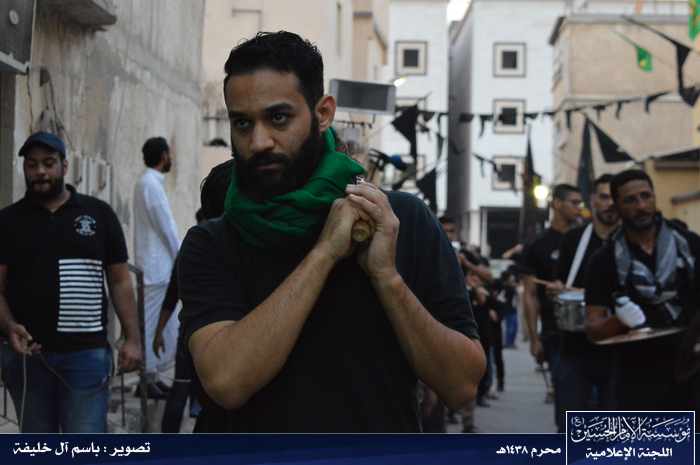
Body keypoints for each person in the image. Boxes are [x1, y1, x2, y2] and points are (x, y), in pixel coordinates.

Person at [177, 31, 485, 433]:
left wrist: (387, 279)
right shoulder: (211, 243)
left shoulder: (400, 220)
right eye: (242, 122)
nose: (259, 141)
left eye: (278, 118)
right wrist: (323, 255)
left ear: (323, 113)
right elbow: (227, 382)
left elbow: (462, 386)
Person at [0, 132, 142, 433]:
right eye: (31, 164)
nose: (40, 171)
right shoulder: (8, 222)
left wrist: (132, 338)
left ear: (64, 166)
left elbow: (120, 281)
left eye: (48, 163)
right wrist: (10, 326)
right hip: (28, 359)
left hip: (86, 357)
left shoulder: (98, 214)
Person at [585, 170, 700, 412]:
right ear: (616, 207)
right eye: (630, 200)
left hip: (691, 372)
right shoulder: (604, 261)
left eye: (646, 196)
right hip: (635, 380)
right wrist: (619, 320)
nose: (640, 206)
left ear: (655, 198)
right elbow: (593, 331)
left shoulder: (690, 245)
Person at [154, 160, 233, 433]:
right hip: (190, 341)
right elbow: (171, 294)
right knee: (182, 390)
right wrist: (159, 332)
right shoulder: (197, 251)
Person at [551, 175, 618, 417]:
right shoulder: (573, 240)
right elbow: (559, 285)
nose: (610, 204)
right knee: (570, 425)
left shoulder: (628, 242)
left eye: (615, 198)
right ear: (593, 200)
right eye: (604, 197)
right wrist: (555, 291)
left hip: (619, 354)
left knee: (616, 430)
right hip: (576, 351)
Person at [521, 183, 582, 433]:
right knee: (566, 399)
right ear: (557, 203)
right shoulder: (537, 245)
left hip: (588, 331)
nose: (579, 208)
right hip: (555, 332)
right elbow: (530, 294)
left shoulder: (586, 240)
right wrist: (534, 339)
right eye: (574, 202)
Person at [133, 136, 180, 398]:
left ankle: (153, 376)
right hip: (156, 269)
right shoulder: (150, 184)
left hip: (156, 267)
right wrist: (182, 256)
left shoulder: (148, 182)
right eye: (169, 154)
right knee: (151, 325)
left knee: (160, 324)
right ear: (163, 156)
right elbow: (167, 227)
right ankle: (146, 381)